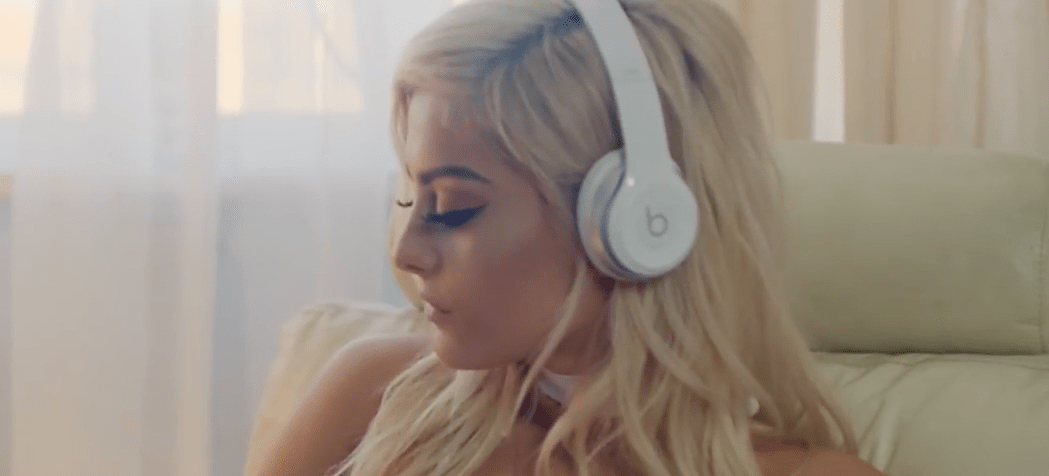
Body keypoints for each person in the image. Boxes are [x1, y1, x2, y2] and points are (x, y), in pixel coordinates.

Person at [261, 0, 889, 474]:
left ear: (632, 220)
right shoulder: (372, 397)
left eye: (453, 206)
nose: (406, 252)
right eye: (409, 198)